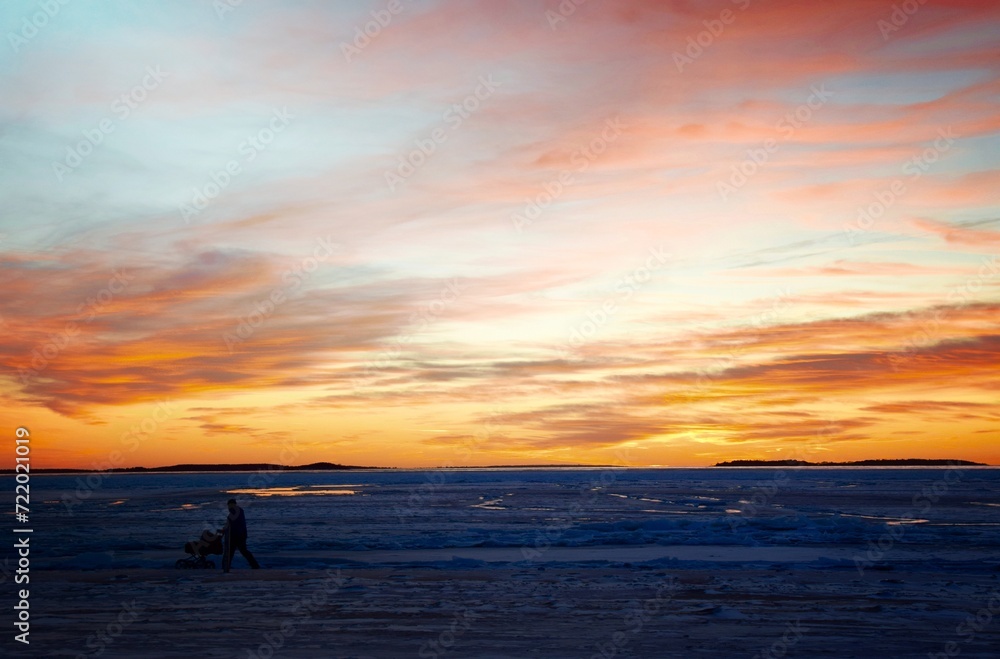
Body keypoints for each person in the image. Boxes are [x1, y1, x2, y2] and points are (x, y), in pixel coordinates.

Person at [220, 498, 260, 572]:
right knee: (242, 551)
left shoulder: (234, 512)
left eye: (229, 505)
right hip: (241, 535)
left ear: (231, 504)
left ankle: (225, 567)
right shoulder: (239, 511)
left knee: (230, 552)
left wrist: (224, 530)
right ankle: (255, 565)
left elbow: (230, 524)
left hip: (236, 536)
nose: (228, 507)